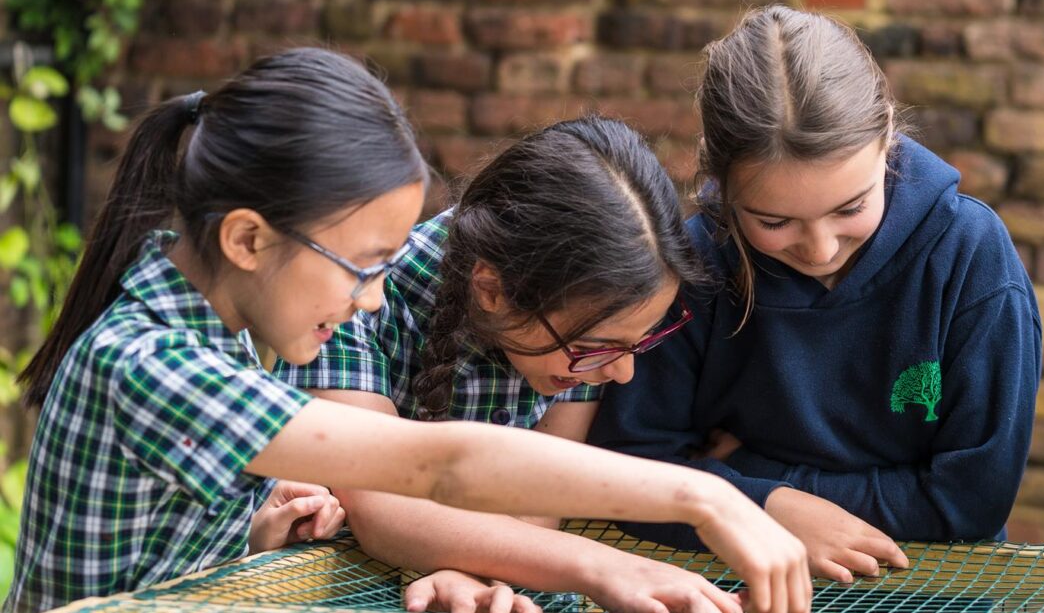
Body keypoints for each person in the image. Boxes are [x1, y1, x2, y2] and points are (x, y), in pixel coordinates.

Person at [5, 48, 808, 613]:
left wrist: (258, 527)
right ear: (248, 240)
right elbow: (438, 467)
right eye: (363, 264)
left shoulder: (221, 316)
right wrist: (696, 494)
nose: (374, 299)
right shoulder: (154, 361)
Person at [590, 5, 1043, 583]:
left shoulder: (970, 258)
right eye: (774, 222)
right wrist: (767, 509)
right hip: (734, 581)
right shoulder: (696, 264)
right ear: (722, 181)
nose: (821, 248)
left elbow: (969, 502)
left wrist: (750, 483)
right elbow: (628, 467)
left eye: (851, 208)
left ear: (887, 140)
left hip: (930, 585)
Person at [277, 115, 761, 613]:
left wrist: (463, 572)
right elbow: (380, 501)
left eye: (639, 343)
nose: (622, 374)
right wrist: (607, 567)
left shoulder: (587, 323)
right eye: (598, 346)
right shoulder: (354, 300)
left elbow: (538, 504)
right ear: (491, 289)